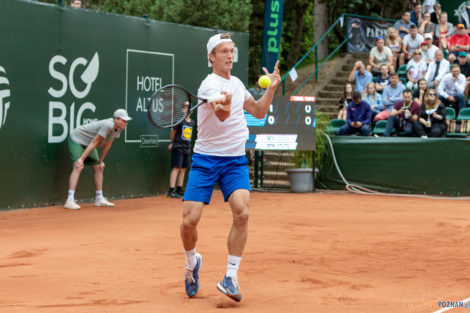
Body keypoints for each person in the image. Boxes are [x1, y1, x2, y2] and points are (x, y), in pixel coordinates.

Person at [180, 33, 280, 302]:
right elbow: (222, 116)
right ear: (212, 56)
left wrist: (271, 87)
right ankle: (191, 264)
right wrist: (223, 103)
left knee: (243, 213)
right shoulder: (208, 85)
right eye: (223, 51)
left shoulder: (236, 83)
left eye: (232, 51)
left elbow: (258, 112)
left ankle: (230, 276)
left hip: (234, 159)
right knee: (189, 222)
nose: (229, 55)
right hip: (206, 159)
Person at [64, 109, 132, 210]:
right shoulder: (108, 125)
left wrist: (100, 161)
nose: (126, 123)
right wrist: (81, 159)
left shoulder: (118, 128)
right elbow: (95, 141)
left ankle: (99, 199)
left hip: (89, 143)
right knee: (78, 166)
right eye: (124, 120)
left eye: (126, 121)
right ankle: (69, 200)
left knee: (99, 167)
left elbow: (108, 144)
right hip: (77, 139)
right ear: (116, 119)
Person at [167, 102, 194, 199]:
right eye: (185, 108)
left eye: (188, 108)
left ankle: (179, 189)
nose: (186, 109)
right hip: (178, 147)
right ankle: (171, 190)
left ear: (192, 110)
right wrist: (172, 142)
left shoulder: (192, 122)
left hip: (187, 148)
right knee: (176, 168)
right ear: (182, 110)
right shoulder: (179, 120)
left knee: (183, 169)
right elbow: (173, 132)